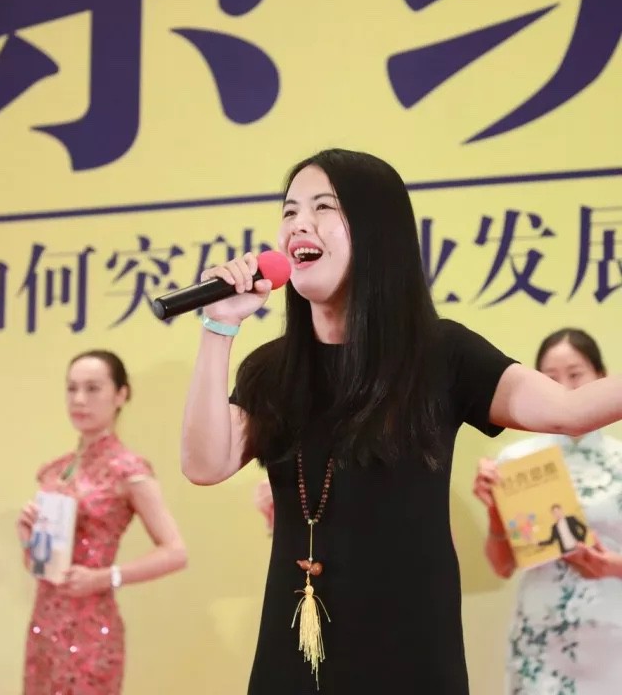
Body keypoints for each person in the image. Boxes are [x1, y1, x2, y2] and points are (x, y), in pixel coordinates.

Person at [180, 148, 622, 695]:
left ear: (377, 231)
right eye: (290, 211)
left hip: (410, 654)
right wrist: (218, 327)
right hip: (295, 653)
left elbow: (569, 411)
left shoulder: (442, 355)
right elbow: (204, 464)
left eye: (323, 207)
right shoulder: (272, 371)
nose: (299, 224)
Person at [16, 349, 187, 694]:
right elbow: (40, 565)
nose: (79, 399)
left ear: (121, 394)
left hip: (91, 628)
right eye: (72, 388)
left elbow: (175, 552)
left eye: (92, 388)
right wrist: (27, 537)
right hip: (44, 623)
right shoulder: (55, 469)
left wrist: (105, 577)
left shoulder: (128, 469)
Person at [474, 328, 622, 694]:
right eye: (550, 379)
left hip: (612, 635)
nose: (564, 389)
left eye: (575, 375)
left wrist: (611, 567)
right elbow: (502, 566)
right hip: (540, 637)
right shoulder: (516, 461)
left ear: (601, 377)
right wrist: (495, 514)